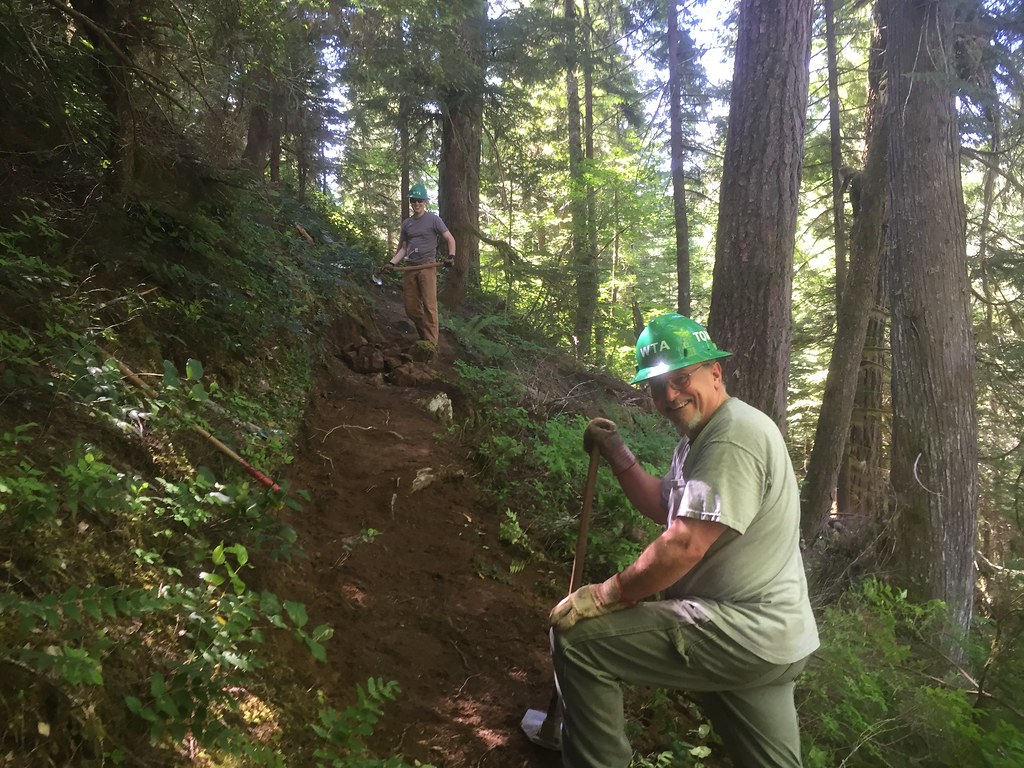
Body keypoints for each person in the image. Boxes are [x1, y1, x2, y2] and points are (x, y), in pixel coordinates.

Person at [548, 313, 819, 768]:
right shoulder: (700, 440)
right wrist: (618, 453)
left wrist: (608, 593)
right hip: (774, 639)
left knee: (578, 642)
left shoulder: (734, 437)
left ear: (715, 372)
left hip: (741, 629)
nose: (669, 395)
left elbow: (684, 543)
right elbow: (664, 507)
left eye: (679, 379)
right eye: (657, 387)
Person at [382, 183, 456, 347]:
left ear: (425, 201)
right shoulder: (407, 224)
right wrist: (391, 263)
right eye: (414, 200)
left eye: (420, 200)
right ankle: (425, 337)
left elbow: (450, 238)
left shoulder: (433, 219)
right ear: (411, 201)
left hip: (427, 267)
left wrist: (451, 256)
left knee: (430, 306)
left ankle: (431, 345)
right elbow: (404, 249)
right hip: (410, 268)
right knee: (411, 308)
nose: (416, 203)